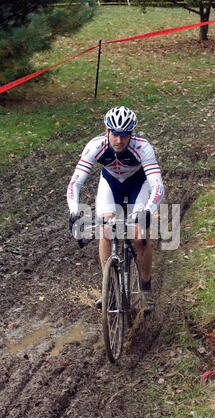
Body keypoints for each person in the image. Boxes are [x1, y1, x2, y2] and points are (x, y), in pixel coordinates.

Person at [67, 105, 164, 312]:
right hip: (111, 184)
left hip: (139, 184)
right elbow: (75, 183)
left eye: (124, 135)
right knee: (106, 229)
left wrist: (148, 211)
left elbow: (157, 185)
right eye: (114, 134)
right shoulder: (96, 145)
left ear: (131, 133)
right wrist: (74, 211)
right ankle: (109, 290)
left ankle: (146, 289)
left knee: (139, 237)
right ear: (107, 130)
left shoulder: (143, 147)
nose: (119, 141)